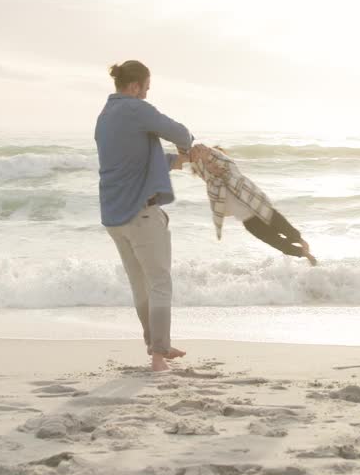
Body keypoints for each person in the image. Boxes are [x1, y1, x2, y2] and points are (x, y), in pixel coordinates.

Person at [95, 60, 210, 372]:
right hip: (141, 215)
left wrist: (184, 160)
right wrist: (192, 146)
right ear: (134, 86)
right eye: (145, 87)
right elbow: (177, 131)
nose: (146, 94)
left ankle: (154, 344)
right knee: (160, 282)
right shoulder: (135, 109)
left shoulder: (105, 117)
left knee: (140, 285)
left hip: (114, 217)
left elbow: (146, 159)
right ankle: (159, 355)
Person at [187, 145, 317, 265]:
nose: (212, 166)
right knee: (277, 242)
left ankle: (301, 242)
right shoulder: (213, 184)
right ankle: (304, 254)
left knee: (287, 230)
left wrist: (206, 153)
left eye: (213, 161)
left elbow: (219, 158)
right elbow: (199, 168)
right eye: (207, 165)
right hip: (250, 222)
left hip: (261, 208)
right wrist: (195, 156)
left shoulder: (232, 171)